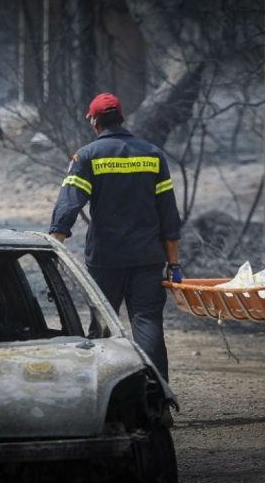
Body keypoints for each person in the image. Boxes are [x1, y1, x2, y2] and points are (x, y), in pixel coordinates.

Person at [49, 93, 182, 381]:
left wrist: (53, 249)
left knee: (102, 326)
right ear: (121, 117)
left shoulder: (87, 156)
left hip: (106, 259)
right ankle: (157, 400)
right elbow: (169, 215)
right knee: (148, 325)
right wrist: (174, 264)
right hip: (148, 258)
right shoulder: (153, 155)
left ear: (95, 121)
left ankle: (98, 395)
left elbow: (69, 204)